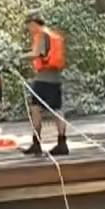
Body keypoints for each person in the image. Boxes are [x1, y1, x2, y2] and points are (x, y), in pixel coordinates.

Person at [21, 11, 69, 157]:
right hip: (55, 78)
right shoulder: (52, 35)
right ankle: (62, 143)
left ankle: (36, 143)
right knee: (57, 109)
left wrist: (19, 57)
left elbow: (36, 54)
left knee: (35, 108)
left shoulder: (42, 35)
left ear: (34, 23)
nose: (29, 29)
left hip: (43, 79)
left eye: (29, 25)